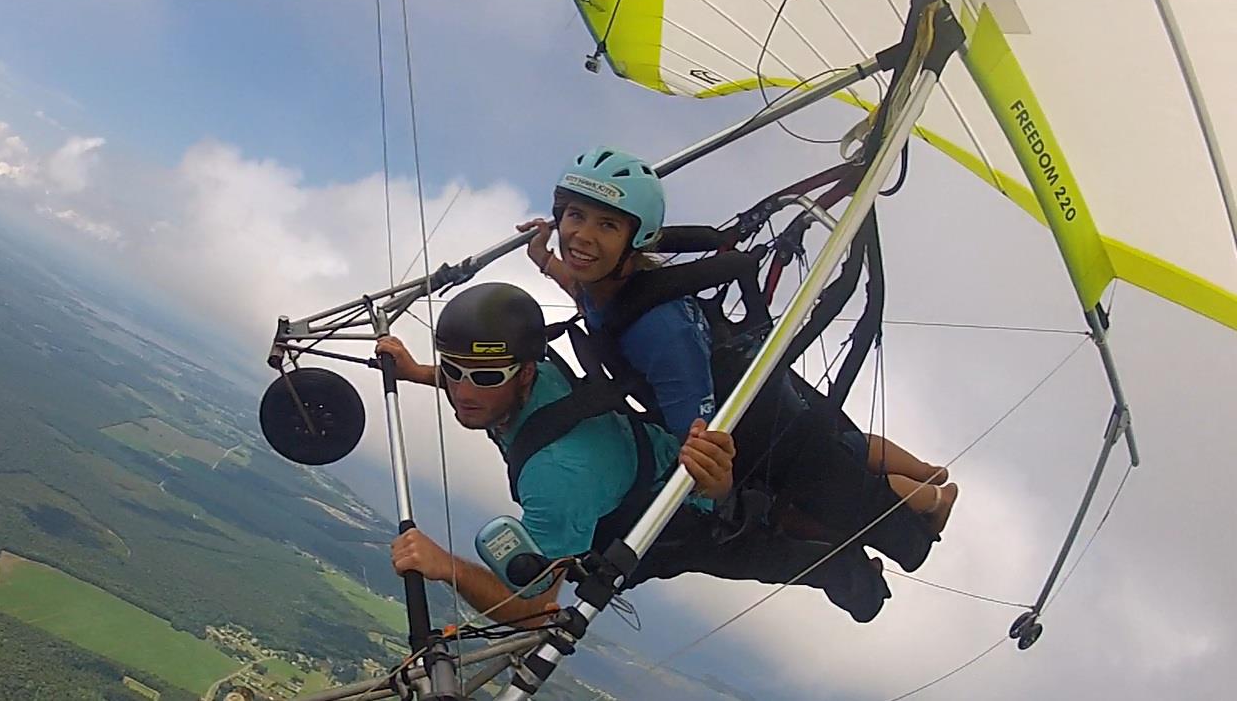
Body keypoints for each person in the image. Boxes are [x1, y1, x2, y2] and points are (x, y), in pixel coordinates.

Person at [378, 282, 894, 625]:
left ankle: (867, 575)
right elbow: (478, 391)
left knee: (777, 555)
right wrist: (418, 371)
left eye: (485, 376)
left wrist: (445, 565)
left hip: (674, 520)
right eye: (452, 369)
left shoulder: (559, 475)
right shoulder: (526, 378)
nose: (464, 391)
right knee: (777, 524)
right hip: (645, 468)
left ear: (526, 373)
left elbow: (537, 610)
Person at [519, 146, 957, 536]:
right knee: (845, 441)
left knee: (837, 479)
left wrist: (711, 493)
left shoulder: (660, 332)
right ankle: (927, 470)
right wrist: (546, 261)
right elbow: (592, 300)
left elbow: (698, 432)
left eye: (607, 225)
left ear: (634, 241)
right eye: (575, 216)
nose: (583, 235)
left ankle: (935, 498)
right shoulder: (614, 283)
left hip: (752, 419)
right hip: (750, 377)